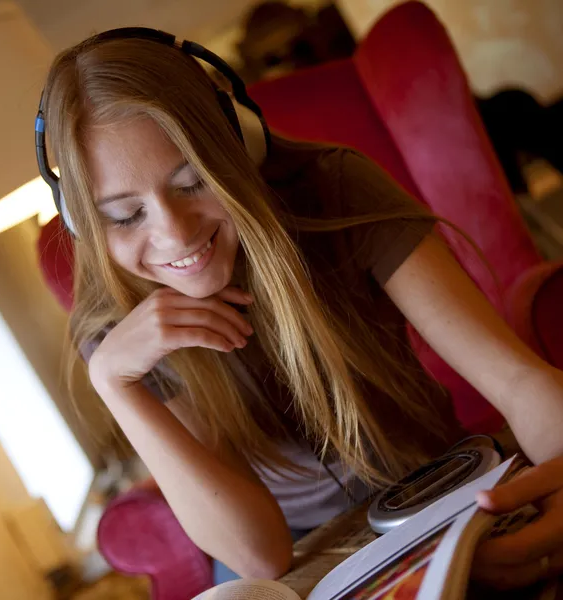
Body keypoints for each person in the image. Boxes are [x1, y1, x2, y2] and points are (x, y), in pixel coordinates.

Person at [36, 28, 563, 590]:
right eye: (124, 215)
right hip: (295, 553)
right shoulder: (114, 330)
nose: (175, 234)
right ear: (83, 221)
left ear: (240, 145)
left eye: (194, 183)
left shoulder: (334, 190)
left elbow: (515, 380)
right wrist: (116, 384)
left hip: (429, 488)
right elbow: (260, 556)